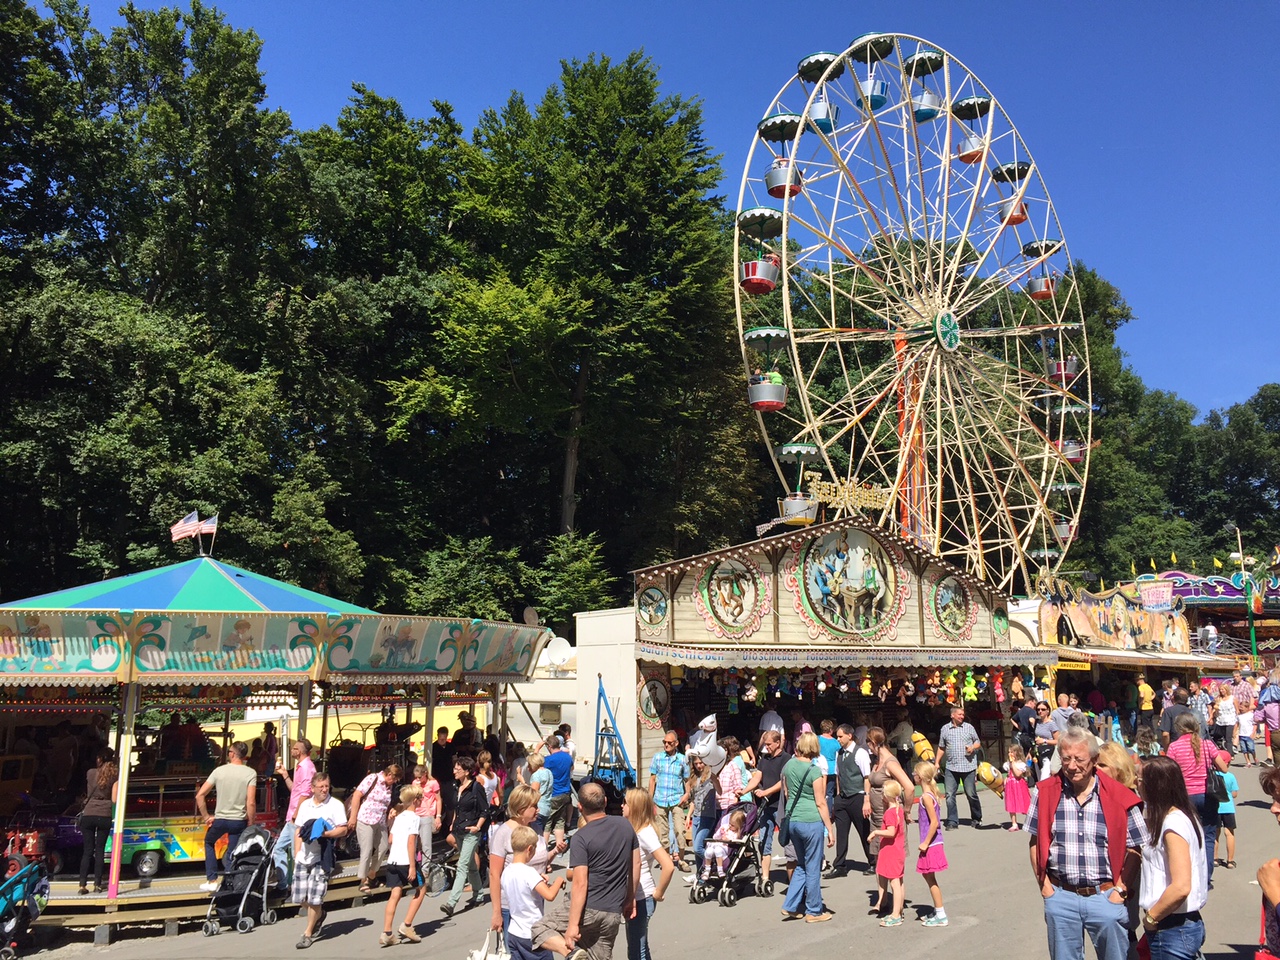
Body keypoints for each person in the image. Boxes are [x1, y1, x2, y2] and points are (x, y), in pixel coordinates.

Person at [1027, 726, 1148, 960]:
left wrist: (1120, 890)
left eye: (1079, 759)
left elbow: (1135, 848)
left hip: (1105, 896)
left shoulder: (1119, 795)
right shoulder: (1044, 792)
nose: (1072, 766)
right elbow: (1035, 841)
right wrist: (1044, 884)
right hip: (1061, 896)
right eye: (1066, 759)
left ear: (1093, 760)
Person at [532, 782, 640, 960]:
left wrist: (573, 924)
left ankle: (572, 954)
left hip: (589, 907)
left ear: (579, 807)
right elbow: (636, 865)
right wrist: (630, 898)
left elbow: (580, 883)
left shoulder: (581, 838)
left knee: (539, 929)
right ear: (605, 801)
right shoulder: (624, 825)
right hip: (612, 910)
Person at [1137, 756, 1209, 960]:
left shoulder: (1173, 825)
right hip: (1179, 926)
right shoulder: (1184, 816)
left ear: (1155, 786)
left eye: (1141, 780)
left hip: (1172, 927)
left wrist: (1152, 918)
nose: (1137, 784)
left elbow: (1181, 886)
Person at [778, 732, 834, 923]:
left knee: (801, 864)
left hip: (793, 819)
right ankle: (814, 910)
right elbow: (821, 802)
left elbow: (786, 793)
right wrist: (829, 828)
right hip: (811, 820)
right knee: (813, 867)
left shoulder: (788, 766)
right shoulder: (814, 771)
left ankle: (790, 905)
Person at [1166, 712, 1228, 882]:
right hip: (1208, 795)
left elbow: (1170, 772)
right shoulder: (1207, 745)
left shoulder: (1174, 747)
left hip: (1185, 797)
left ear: (1179, 729)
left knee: (1190, 837)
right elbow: (1224, 769)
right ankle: (1206, 878)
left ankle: (1192, 877)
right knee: (1208, 836)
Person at [291, 772, 349, 949]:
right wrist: (296, 852)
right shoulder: (306, 805)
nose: (325, 790)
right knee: (300, 898)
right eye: (321, 787)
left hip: (322, 856)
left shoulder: (335, 805)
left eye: (326, 786)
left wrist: (324, 834)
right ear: (313, 788)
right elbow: (299, 830)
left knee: (315, 898)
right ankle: (320, 914)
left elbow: (343, 830)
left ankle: (307, 933)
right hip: (303, 856)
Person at [195, 741, 257, 893]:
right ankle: (229, 882)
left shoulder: (219, 771)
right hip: (238, 821)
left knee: (209, 842)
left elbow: (200, 795)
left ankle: (212, 879)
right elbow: (251, 802)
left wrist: (206, 816)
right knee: (232, 852)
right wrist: (251, 821)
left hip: (220, 819)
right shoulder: (250, 773)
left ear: (232, 754)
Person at [623, 787, 674, 960]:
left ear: (634, 807)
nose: (622, 806)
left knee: (637, 951)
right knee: (639, 947)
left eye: (625, 803)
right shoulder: (636, 830)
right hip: (636, 895)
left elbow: (668, 865)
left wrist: (659, 892)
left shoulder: (645, 833)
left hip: (642, 897)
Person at [490, 786, 550, 933]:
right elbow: (494, 874)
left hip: (536, 903)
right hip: (512, 906)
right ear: (521, 808)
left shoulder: (536, 828)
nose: (538, 810)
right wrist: (497, 912)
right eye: (534, 806)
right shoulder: (503, 833)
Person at [504, 825, 565, 960]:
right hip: (532, 932)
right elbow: (549, 895)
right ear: (530, 849)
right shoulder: (529, 872)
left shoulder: (507, 871)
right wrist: (559, 881)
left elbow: (523, 889)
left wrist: (540, 881)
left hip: (514, 932)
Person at [441, 756, 490, 917]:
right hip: (459, 829)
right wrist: (453, 822)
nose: (454, 771)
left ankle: (451, 902)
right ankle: (479, 894)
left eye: (458, 769)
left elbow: (484, 810)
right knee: (470, 865)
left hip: (471, 831)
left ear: (467, 771)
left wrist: (477, 826)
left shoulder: (476, 788)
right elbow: (457, 808)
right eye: (455, 768)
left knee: (462, 865)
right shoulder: (457, 787)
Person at [380, 784, 427, 947]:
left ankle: (387, 932)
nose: (422, 801)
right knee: (421, 889)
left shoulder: (399, 817)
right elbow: (411, 842)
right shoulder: (414, 818)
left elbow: (391, 839)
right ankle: (407, 925)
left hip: (392, 861)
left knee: (395, 893)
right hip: (406, 861)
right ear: (415, 800)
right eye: (420, 798)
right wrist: (413, 866)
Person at [864, 726, 915, 874]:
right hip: (877, 816)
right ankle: (882, 895)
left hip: (888, 817)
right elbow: (869, 780)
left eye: (868, 741)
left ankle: (894, 894)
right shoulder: (877, 760)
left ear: (874, 742)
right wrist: (867, 797)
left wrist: (906, 810)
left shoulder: (890, 762)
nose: (867, 745)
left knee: (891, 861)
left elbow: (909, 787)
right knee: (879, 860)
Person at [348, 763, 401, 894]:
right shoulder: (373, 778)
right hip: (366, 818)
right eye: (394, 779)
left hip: (381, 820)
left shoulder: (389, 786)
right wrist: (353, 817)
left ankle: (372, 873)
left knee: (383, 847)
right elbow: (357, 795)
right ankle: (362, 880)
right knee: (366, 850)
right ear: (389, 774)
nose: (394, 782)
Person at [828, 723, 872, 876]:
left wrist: (866, 800)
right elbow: (839, 776)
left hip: (858, 796)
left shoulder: (860, 753)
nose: (838, 739)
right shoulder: (839, 753)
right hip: (843, 798)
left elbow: (867, 777)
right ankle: (840, 865)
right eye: (837, 736)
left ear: (849, 735)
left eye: (840, 736)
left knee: (864, 830)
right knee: (841, 832)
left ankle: (873, 861)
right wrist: (838, 797)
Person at [273, 738, 314, 886]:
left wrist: (296, 813)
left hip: (297, 817)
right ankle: (285, 882)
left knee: (295, 851)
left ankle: (295, 884)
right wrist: (284, 774)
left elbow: (306, 792)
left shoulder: (307, 767)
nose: (292, 750)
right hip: (292, 815)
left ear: (300, 751)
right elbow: (295, 790)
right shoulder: (300, 767)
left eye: (294, 748)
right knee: (279, 848)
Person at [648, 730, 690, 872]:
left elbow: (687, 780)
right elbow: (652, 779)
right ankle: (667, 860)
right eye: (664, 742)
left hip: (676, 799)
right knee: (662, 832)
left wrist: (687, 794)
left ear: (676, 743)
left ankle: (682, 859)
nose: (666, 745)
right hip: (660, 799)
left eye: (669, 743)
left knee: (680, 830)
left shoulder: (682, 759)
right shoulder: (658, 758)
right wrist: (650, 799)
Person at [912, 762, 949, 927]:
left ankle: (941, 914)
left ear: (920, 777)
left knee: (930, 877)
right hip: (931, 842)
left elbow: (934, 822)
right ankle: (937, 909)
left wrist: (925, 842)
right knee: (927, 876)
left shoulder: (926, 797)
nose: (913, 775)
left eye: (914, 773)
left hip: (931, 843)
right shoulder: (929, 795)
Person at [77, 749, 118, 895]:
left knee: (87, 851)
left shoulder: (90, 773)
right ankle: (98, 885)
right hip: (104, 814)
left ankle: (82, 885)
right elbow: (114, 799)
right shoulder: (114, 775)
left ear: (99, 759)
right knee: (99, 851)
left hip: (89, 813)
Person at [752, 730, 789, 886]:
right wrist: (746, 790)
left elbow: (783, 782)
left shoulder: (786, 758)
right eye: (765, 744)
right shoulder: (764, 759)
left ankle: (792, 875)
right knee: (764, 841)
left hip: (779, 806)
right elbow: (757, 777)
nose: (766, 747)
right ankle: (765, 878)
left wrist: (766, 792)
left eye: (769, 744)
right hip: (766, 806)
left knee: (787, 841)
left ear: (778, 743)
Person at [936, 706, 982, 829]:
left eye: (963, 714)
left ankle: (977, 818)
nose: (962, 716)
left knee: (971, 794)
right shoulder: (945, 729)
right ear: (952, 715)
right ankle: (952, 820)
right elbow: (941, 747)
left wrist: (973, 747)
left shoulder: (969, 727)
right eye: (959, 714)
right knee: (950, 795)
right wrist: (937, 762)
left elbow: (978, 742)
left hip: (968, 766)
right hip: (951, 767)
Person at [869, 780, 906, 927]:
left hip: (891, 850)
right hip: (898, 850)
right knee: (899, 881)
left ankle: (895, 914)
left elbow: (890, 832)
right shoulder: (898, 809)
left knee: (894, 882)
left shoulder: (890, 813)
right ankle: (899, 909)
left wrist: (876, 832)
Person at [685, 756, 718, 881]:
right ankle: (701, 878)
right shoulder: (695, 779)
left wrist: (715, 780)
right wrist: (688, 815)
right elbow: (694, 800)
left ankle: (715, 861)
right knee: (696, 852)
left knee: (698, 847)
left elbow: (719, 791)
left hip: (708, 816)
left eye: (701, 763)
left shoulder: (710, 776)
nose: (699, 766)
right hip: (696, 816)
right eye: (696, 763)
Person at [543, 735, 575, 855]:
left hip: (554, 793)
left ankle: (544, 850)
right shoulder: (567, 757)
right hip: (565, 792)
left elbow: (538, 768)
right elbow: (572, 767)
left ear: (549, 746)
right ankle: (559, 847)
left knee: (548, 821)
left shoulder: (549, 760)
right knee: (560, 820)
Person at [701, 808, 746, 881]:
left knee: (718, 850)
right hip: (716, 844)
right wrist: (720, 833)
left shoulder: (736, 834)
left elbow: (734, 840)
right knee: (708, 851)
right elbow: (715, 837)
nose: (730, 826)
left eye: (733, 825)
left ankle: (720, 869)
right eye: (730, 823)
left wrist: (727, 839)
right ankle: (707, 869)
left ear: (738, 826)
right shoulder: (725, 827)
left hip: (724, 848)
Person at [1004, 744, 1031, 831]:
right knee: (1011, 803)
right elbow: (1009, 774)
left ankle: (1030, 821)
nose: (1010, 754)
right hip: (1010, 786)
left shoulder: (1020, 764)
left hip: (1019, 785)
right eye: (1009, 752)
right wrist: (1006, 779)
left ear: (1017, 753)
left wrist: (1013, 763)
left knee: (1024, 802)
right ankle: (1014, 823)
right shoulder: (1008, 764)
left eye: (1012, 752)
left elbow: (1017, 774)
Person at [1217, 762, 1239, 870]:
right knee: (1229, 833)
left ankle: (1215, 858)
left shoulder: (1212, 775)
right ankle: (1230, 860)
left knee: (1215, 833)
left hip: (1215, 807)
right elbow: (1234, 793)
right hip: (1228, 807)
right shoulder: (1230, 776)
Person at [1033, 701, 1060, 781]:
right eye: (1038, 709)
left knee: (1044, 778)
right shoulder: (1038, 723)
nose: (1040, 711)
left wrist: (1044, 741)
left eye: (1043, 709)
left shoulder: (1051, 724)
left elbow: (1058, 741)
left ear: (1048, 710)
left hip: (1048, 754)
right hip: (1038, 753)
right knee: (1039, 777)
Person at [817, 719, 840, 813]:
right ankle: (829, 813)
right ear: (831, 730)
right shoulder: (836, 742)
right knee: (829, 793)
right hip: (831, 769)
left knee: (818, 791)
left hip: (819, 768)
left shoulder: (817, 739)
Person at [528, 752, 553, 833]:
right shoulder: (548, 772)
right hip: (547, 807)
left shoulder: (536, 775)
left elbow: (533, 793)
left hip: (538, 808)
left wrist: (522, 782)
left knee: (535, 834)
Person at [1212, 685, 1237, 761]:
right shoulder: (1219, 699)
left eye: (1223, 689)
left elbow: (1237, 710)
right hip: (1221, 720)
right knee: (1220, 737)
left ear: (1226, 689)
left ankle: (1230, 754)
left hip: (1230, 720)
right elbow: (1215, 708)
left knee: (1228, 738)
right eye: (1220, 690)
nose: (1221, 691)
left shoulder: (1232, 698)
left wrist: (1237, 722)